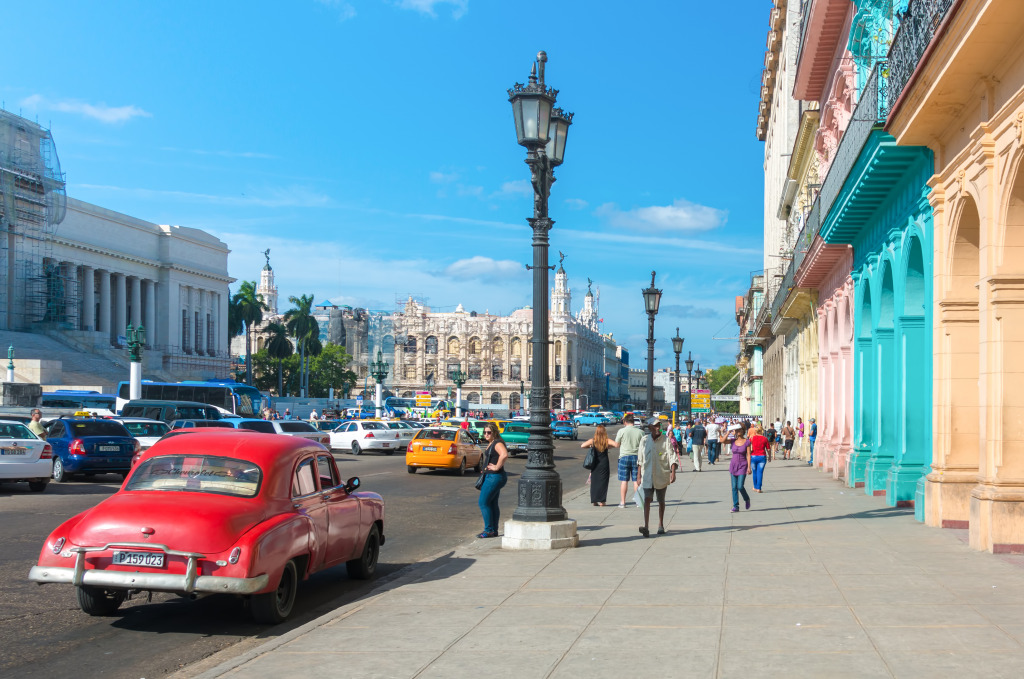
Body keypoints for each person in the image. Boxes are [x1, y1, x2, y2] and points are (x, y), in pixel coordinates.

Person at [636, 419, 678, 536]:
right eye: (654, 426)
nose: (657, 428)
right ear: (649, 428)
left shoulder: (666, 440)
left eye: (658, 426)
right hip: (647, 476)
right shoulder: (644, 441)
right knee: (647, 500)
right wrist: (638, 476)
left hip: (661, 475)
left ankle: (661, 524)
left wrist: (673, 472)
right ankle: (646, 526)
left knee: (661, 501)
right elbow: (640, 460)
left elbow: (672, 457)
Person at [477, 424, 508, 538]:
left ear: (494, 432)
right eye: (484, 432)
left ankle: (489, 530)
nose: (486, 434)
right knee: (492, 503)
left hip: (494, 477)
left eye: (489, 432)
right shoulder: (492, 443)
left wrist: (496, 467)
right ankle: (493, 530)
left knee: (483, 502)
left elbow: (504, 455)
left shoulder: (497, 443)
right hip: (492, 476)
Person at [581, 424, 619, 506]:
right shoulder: (606, 440)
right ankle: (602, 501)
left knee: (594, 482)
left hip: (595, 463)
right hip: (604, 463)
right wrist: (608, 446)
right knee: (603, 482)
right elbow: (616, 445)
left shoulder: (593, 440)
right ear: (604, 432)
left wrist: (591, 446)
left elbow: (582, 445)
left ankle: (594, 500)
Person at [614, 413, 644, 508]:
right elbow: (643, 446)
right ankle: (638, 502)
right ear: (633, 422)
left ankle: (623, 502)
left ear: (625, 422)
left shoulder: (621, 431)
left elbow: (617, 444)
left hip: (624, 456)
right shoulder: (640, 432)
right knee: (636, 481)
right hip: (636, 457)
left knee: (624, 481)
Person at [729, 425, 752, 512]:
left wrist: (749, 467)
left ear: (743, 431)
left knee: (740, 486)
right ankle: (736, 506)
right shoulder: (733, 441)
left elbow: (749, 454)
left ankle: (746, 499)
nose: (738, 431)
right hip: (733, 465)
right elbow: (722, 440)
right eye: (737, 430)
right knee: (734, 487)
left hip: (743, 465)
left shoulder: (747, 441)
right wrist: (728, 431)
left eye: (740, 430)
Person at [749, 424, 769, 493]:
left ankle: (755, 487)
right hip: (762, 457)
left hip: (753, 456)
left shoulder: (751, 438)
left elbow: (748, 448)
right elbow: (768, 449)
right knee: (760, 472)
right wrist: (769, 457)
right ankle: (759, 488)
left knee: (754, 472)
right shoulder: (765, 439)